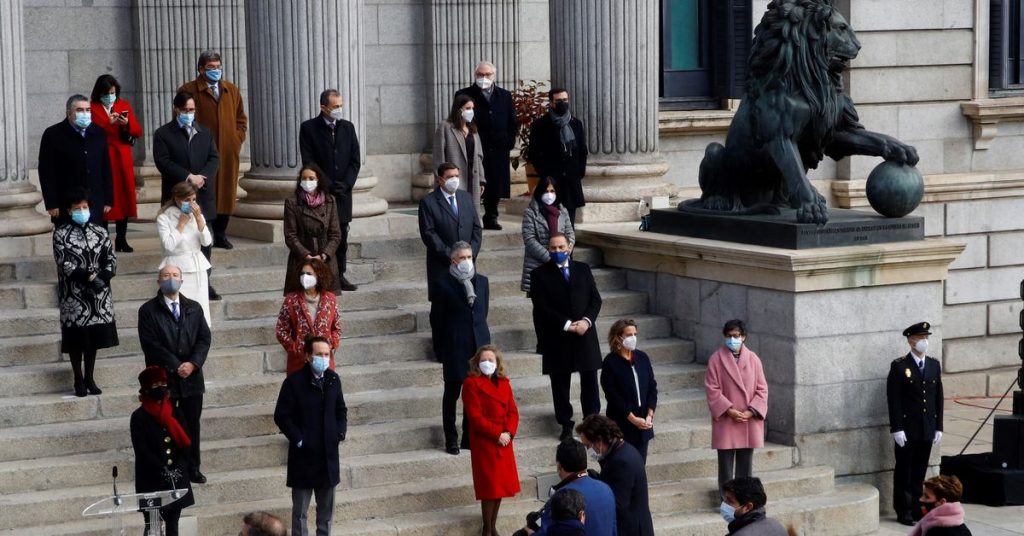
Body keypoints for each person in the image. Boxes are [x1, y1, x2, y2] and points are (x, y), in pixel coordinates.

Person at [138, 265, 212, 485]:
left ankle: (193, 467)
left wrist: (193, 364)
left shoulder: (194, 308)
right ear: (159, 281)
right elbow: (151, 344)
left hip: (192, 379)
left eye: (175, 276)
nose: (171, 279)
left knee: (192, 424)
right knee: (166, 424)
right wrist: (176, 365)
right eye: (166, 276)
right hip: (165, 379)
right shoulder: (148, 310)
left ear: (181, 280)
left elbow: (204, 339)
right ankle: (172, 467)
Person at [529, 233, 602, 441]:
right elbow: (542, 308)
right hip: (558, 336)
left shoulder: (583, 269)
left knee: (590, 381)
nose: (558, 251)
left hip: (584, 334)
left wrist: (586, 321)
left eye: (561, 247)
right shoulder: (539, 275)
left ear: (569, 247)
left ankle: (592, 422)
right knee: (560, 384)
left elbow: (595, 300)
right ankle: (566, 423)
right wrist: (567, 325)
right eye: (553, 248)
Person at [274, 335, 348, 536]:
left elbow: (341, 410)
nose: (323, 358)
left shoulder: (333, 380)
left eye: (327, 354)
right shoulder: (293, 383)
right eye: (319, 354)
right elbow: (282, 416)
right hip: (304, 458)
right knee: (300, 514)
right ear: (308, 356)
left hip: (328, 457)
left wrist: (339, 433)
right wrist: (299, 440)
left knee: (326, 514)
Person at [153, 90, 223, 302]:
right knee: (178, 237)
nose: (189, 113)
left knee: (204, 237)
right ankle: (173, 281)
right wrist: (187, 176)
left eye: (192, 110)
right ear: (176, 109)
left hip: (202, 194)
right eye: (185, 110)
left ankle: (206, 280)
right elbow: (163, 161)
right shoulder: (164, 134)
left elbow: (214, 158)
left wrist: (203, 177)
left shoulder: (205, 132)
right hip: (177, 195)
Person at [52, 188, 118, 397]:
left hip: (99, 294)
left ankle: (90, 377)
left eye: (85, 207)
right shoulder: (61, 233)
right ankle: (78, 378)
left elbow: (110, 258)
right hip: (75, 295)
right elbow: (65, 263)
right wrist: (89, 277)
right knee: (77, 339)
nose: (82, 210)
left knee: (94, 339)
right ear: (69, 211)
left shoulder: (100, 231)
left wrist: (104, 277)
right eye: (77, 208)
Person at [179, 50, 247, 250]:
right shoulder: (189, 90)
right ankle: (203, 231)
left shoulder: (231, 90)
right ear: (201, 69)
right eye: (211, 68)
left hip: (227, 150)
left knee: (226, 190)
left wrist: (236, 138)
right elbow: (183, 118)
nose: (216, 71)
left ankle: (221, 233)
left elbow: (241, 119)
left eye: (218, 67)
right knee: (205, 190)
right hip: (201, 151)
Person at [431, 241, 491, 454]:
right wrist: (440, 349)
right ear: (453, 260)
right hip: (455, 347)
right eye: (462, 258)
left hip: (479, 348)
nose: (466, 261)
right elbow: (437, 320)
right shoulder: (443, 284)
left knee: (474, 394)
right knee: (453, 393)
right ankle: (451, 439)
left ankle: (468, 436)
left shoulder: (482, 282)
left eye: (469, 257)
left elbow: (483, 313)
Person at [299, 89, 361, 292]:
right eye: (335, 106)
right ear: (323, 107)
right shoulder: (308, 128)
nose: (339, 110)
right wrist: (325, 184)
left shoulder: (348, 128)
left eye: (341, 105)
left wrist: (347, 183)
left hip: (343, 193)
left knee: (341, 234)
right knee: (321, 236)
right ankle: (320, 274)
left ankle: (340, 274)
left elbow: (354, 160)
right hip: (322, 192)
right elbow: (309, 161)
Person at [887, 321, 944, 526]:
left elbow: (938, 397)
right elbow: (894, 400)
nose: (924, 342)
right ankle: (903, 510)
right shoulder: (900, 366)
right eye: (921, 338)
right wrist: (897, 428)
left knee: (919, 471)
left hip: (926, 428)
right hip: (907, 429)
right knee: (904, 470)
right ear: (911, 341)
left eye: (926, 338)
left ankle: (917, 508)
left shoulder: (933, 364)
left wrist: (939, 426)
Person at [704, 319, 768, 496]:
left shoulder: (754, 359)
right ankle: (726, 499)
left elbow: (762, 388)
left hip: (748, 419)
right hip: (727, 419)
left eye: (736, 336)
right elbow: (712, 389)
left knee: (745, 465)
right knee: (725, 466)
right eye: (729, 336)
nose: (733, 339)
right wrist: (728, 410)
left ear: (744, 337)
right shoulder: (716, 360)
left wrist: (751, 410)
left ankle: (744, 498)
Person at [463, 345, 521, 536]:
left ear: (497, 364)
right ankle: (487, 529)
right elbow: (475, 417)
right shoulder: (471, 383)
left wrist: (509, 434)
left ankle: (492, 525)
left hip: (504, 441)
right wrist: (498, 434)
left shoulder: (504, 383)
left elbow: (513, 411)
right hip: (486, 441)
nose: (487, 363)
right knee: (490, 488)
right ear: (477, 363)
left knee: (500, 488)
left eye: (491, 360)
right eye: (483, 360)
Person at [130, 365, 194, 536]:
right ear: (146, 389)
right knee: (153, 526)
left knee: (173, 525)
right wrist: (162, 469)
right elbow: (142, 450)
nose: (160, 388)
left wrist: (178, 467)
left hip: (176, 477)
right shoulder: (139, 417)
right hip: (151, 479)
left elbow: (186, 442)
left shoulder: (175, 411)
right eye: (155, 385)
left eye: (162, 383)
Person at [455, 61, 518, 230]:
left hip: (498, 147)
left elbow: (512, 120)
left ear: (494, 76)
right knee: (473, 181)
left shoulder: (504, 95)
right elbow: (458, 118)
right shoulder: (464, 94)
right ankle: (470, 216)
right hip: (474, 145)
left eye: (487, 75)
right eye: (480, 75)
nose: (484, 78)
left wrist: (509, 141)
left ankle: (491, 216)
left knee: (495, 183)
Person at [38, 94, 113, 225]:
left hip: (94, 202)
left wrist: (108, 199)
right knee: (69, 242)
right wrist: (51, 203)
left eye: (88, 110)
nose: (85, 113)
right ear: (69, 113)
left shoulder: (98, 133)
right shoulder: (53, 134)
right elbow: (46, 172)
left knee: (95, 241)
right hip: (66, 203)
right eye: (79, 110)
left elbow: (105, 168)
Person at [575, 415, 653, 536]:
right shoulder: (621, 451)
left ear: (599, 440)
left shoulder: (622, 462)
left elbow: (616, 504)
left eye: (588, 445)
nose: (587, 450)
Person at [89, 74, 142, 252]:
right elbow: (91, 132)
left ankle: (122, 238)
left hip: (122, 156)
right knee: (106, 196)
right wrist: (108, 124)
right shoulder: (92, 108)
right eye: (106, 93)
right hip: (105, 155)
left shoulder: (123, 105)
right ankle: (103, 239)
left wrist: (126, 123)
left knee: (124, 196)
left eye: (113, 92)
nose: (110, 96)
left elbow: (137, 130)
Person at [521, 439, 616, 536]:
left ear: (559, 466)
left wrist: (529, 533)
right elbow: (613, 530)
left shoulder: (562, 498)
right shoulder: (606, 489)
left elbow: (545, 532)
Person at [418, 162, 483, 302]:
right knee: (443, 307)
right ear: (440, 180)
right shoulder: (428, 202)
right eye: (450, 177)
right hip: (443, 264)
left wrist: (470, 255)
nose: (454, 180)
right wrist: (452, 257)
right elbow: (428, 233)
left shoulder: (466, 197)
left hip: (467, 263)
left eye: (456, 176)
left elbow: (476, 227)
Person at [156, 182, 213, 328]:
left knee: (200, 310)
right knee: (180, 311)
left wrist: (200, 219)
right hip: (177, 268)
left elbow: (206, 242)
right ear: (177, 198)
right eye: (187, 200)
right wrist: (181, 224)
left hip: (197, 267)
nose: (191, 203)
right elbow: (168, 245)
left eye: (193, 199)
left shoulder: (196, 215)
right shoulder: (164, 217)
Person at [602, 319, 658, 462]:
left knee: (640, 464)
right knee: (622, 464)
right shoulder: (610, 362)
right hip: (622, 422)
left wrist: (650, 414)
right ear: (618, 337)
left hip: (643, 421)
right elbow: (612, 394)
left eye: (635, 334)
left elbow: (652, 386)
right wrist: (632, 418)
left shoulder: (642, 358)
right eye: (628, 335)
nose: (633, 338)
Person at [528, 88, 587, 224]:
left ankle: (568, 241)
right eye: (559, 100)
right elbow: (534, 153)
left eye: (565, 100)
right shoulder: (540, 125)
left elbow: (582, 150)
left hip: (571, 177)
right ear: (551, 103)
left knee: (570, 216)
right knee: (551, 214)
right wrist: (544, 174)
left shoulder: (575, 123)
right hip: (551, 178)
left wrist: (579, 171)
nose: (562, 103)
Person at [283, 164, 343, 294]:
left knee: (326, 301)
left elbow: (335, 234)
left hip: (325, 259)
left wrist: (324, 255)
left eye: (311, 178)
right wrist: (307, 256)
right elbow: (290, 235)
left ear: (318, 180)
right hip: (301, 259)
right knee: (300, 299)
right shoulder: (292, 203)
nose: (307, 182)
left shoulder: (330, 201)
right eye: (304, 178)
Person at [276, 258, 341, 376]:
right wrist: (295, 348)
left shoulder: (330, 299)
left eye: (309, 274)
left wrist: (331, 344)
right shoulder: (291, 300)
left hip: (324, 359)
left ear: (319, 276)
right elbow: (281, 330)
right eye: (302, 274)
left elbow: (337, 327)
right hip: (299, 362)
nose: (305, 277)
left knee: (325, 392)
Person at [433, 93, 486, 218]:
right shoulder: (445, 127)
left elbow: (479, 156)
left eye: (472, 108)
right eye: (468, 108)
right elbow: (438, 157)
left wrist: (481, 180)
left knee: (472, 211)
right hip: (454, 177)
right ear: (459, 109)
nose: (471, 112)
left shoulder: (473, 129)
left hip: (472, 175)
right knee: (454, 212)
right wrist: (441, 179)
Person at [521, 176, 575, 295]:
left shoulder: (562, 211)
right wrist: (551, 258)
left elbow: (570, 233)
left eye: (552, 191)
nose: (549, 194)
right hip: (538, 263)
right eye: (546, 191)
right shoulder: (531, 213)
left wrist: (565, 252)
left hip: (562, 262)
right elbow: (529, 239)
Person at [720, 476, 789, 536]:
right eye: (725, 499)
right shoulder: (776, 525)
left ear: (747, 507)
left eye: (730, 501)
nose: (724, 503)